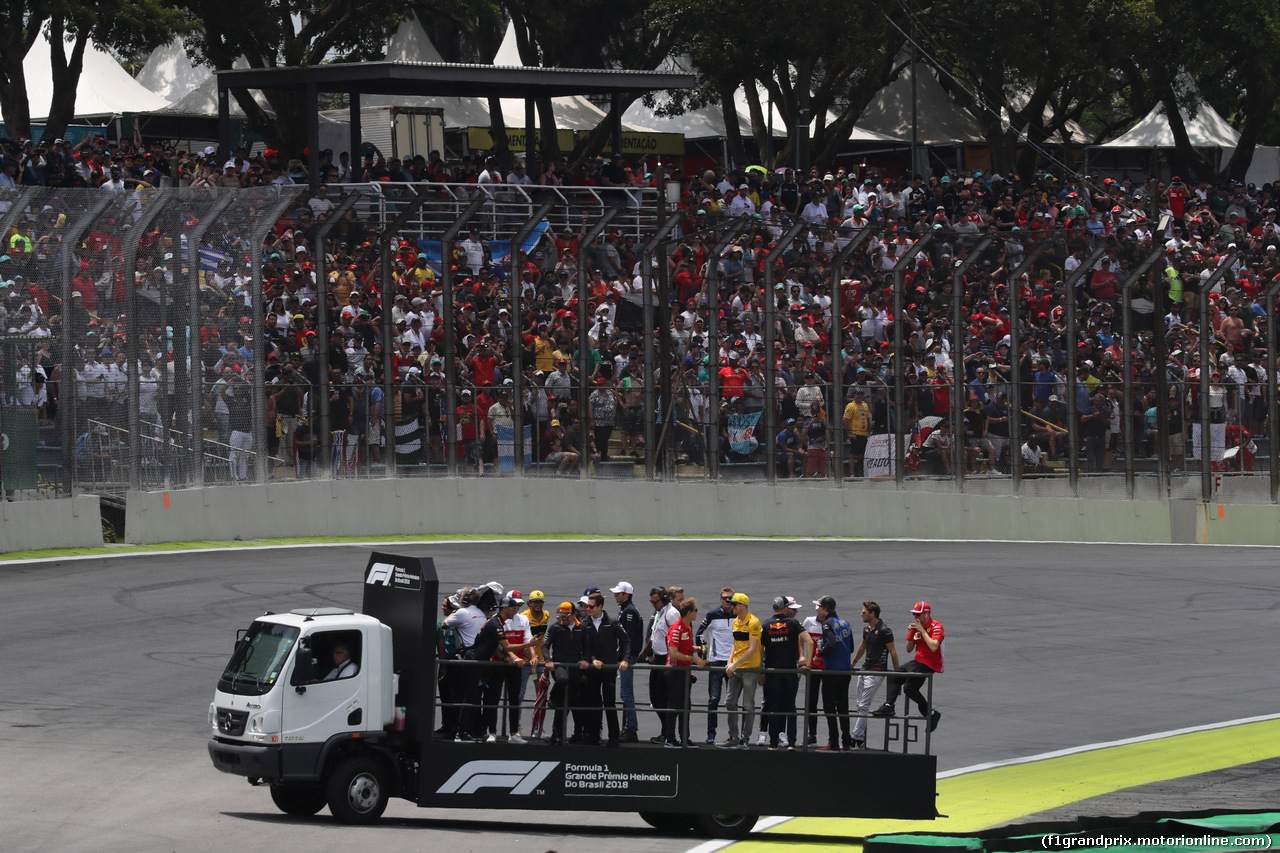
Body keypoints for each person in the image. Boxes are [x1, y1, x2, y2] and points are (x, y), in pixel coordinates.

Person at [874, 601, 943, 732]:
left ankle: (932, 714)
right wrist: (911, 636)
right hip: (917, 661)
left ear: (926, 615)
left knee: (909, 688)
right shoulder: (917, 627)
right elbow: (908, 650)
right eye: (914, 614)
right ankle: (889, 705)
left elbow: (934, 646)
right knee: (894, 676)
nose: (915, 617)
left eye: (918, 614)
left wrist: (922, 630)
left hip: (930, 663)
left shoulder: (936, 626)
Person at [576, 591, 630, 746]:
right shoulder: (585, 623)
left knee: (609, 703)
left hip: (609, 669)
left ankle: (613, 737)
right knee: (592, 703)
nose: (588, 609)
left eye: (591, 606)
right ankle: (593, 736)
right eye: (586, 606)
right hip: (593, 669)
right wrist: (593, 659)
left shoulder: (612, 622)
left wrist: (624, 659)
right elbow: (584, 646)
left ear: (600, 606)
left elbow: (626, 640)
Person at [760, 595, 812, 750]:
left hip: (772, 671)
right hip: (789, 670)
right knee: (791, 706)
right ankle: (791, 742)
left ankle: (773, 743)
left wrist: (762, 667)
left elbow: (760, 648)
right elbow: (809, 641)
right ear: (785, 608)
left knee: (774, 707)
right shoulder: (793, 623)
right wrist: (807, 665)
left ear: (773, 608)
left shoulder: (766, 624)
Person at [849, 600, 899, 749]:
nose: (861, 614)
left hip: (877, 671)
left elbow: (893, 652)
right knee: (859, 706)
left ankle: (854, 738)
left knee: (864, 706)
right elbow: (863, 646)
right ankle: (861, 740)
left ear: (872, 614)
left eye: (864, 612)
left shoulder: (884, 630)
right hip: (864, 670)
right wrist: (853, 663)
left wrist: (898, 674)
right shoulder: (867, 629)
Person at [719, 592, 762, 749]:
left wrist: (734, 664)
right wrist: (729, 662)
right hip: (736, 667)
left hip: (750, 668)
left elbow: (752, 649)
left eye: (735, 604)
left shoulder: (754, 622)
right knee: (729, 702)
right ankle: (734, 736)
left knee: (748, 705)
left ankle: (745, 738)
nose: (731, 606)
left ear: (743, 606)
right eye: (731, 603)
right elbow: (735, 644)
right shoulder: (736, 621)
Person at [694, 586, 736, 744]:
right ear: (720, 599)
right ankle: (711, 733)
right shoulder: (712, 615)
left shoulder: (738, 615)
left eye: (730, 599)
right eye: (725, 599)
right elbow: (699, 634)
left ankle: (733, 735)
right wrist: (703, 655)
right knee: (713, 699)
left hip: (732, 663)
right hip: (716, 662)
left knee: (732, 702)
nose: (728, 601)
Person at [813, 595, 855, 750]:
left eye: (818, 607)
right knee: (843, 707)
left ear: (825, 609)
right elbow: (850, 647)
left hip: (832, 671)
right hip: (846, 671)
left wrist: (819, 654)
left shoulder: (827, 624)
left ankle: (834, 742)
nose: (817, 610)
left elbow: (830, 645)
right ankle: (846, 742)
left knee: (829, 708)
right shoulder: (845, 623)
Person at [663, 599, 706, 747]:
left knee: (686, 706)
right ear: (689, 612)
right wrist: (694, 659)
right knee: (675, 705)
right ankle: (669, 738)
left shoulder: (687, 628)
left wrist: (697, 649)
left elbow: (684, 647)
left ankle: (684, 739)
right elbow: (674, 653)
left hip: (684, 672)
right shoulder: (676, 629)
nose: (696, 613)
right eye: (695, 610)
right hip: (675, 671)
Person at [643, 585, 681, 743]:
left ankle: (668, 733)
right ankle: (665, 730)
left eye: (655, 602)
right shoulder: (659, 613)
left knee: (664, 697)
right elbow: (654, 635)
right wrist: (645, 654)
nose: (653, 604)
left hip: (667, 659)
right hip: (657, 658)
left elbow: (677, 636)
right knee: (655, 697)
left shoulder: (672, 613)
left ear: (664, 600)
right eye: (651, 602)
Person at [542, 601, 583, 745]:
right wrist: (548, 660)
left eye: (566, 616)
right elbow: (545, 646)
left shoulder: (580, 628)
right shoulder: (555, 628)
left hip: (575, 668)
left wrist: (585, 660)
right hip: (559, 665)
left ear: (573, 615)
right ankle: (553, 696)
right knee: (562, 681)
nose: (562, 619)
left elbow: (587, 647)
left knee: (572, 702)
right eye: (560, 616)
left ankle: (569, 734)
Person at [611, 581, 644, 742]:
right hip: (626, 656)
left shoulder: (629, 612)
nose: (615, 595)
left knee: (626, 692)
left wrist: (624, 657)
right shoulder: (626, 610)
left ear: (626, 594)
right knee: (625, 692)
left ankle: (631, 728)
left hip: (627, 658)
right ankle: (628, 727)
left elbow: (627, 638)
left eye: (618, 593)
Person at [517, 591, 549, 740]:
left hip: (540, 662)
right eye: (535, 602)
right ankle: (516, 727)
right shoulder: (523, 617)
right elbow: (523, 641)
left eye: (540, 602)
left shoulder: (546, 615)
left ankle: (538, 728)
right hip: (525, 662)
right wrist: (531, 656)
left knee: (541, 696)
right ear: (529, 603)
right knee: (519, 695)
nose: (538, 604)